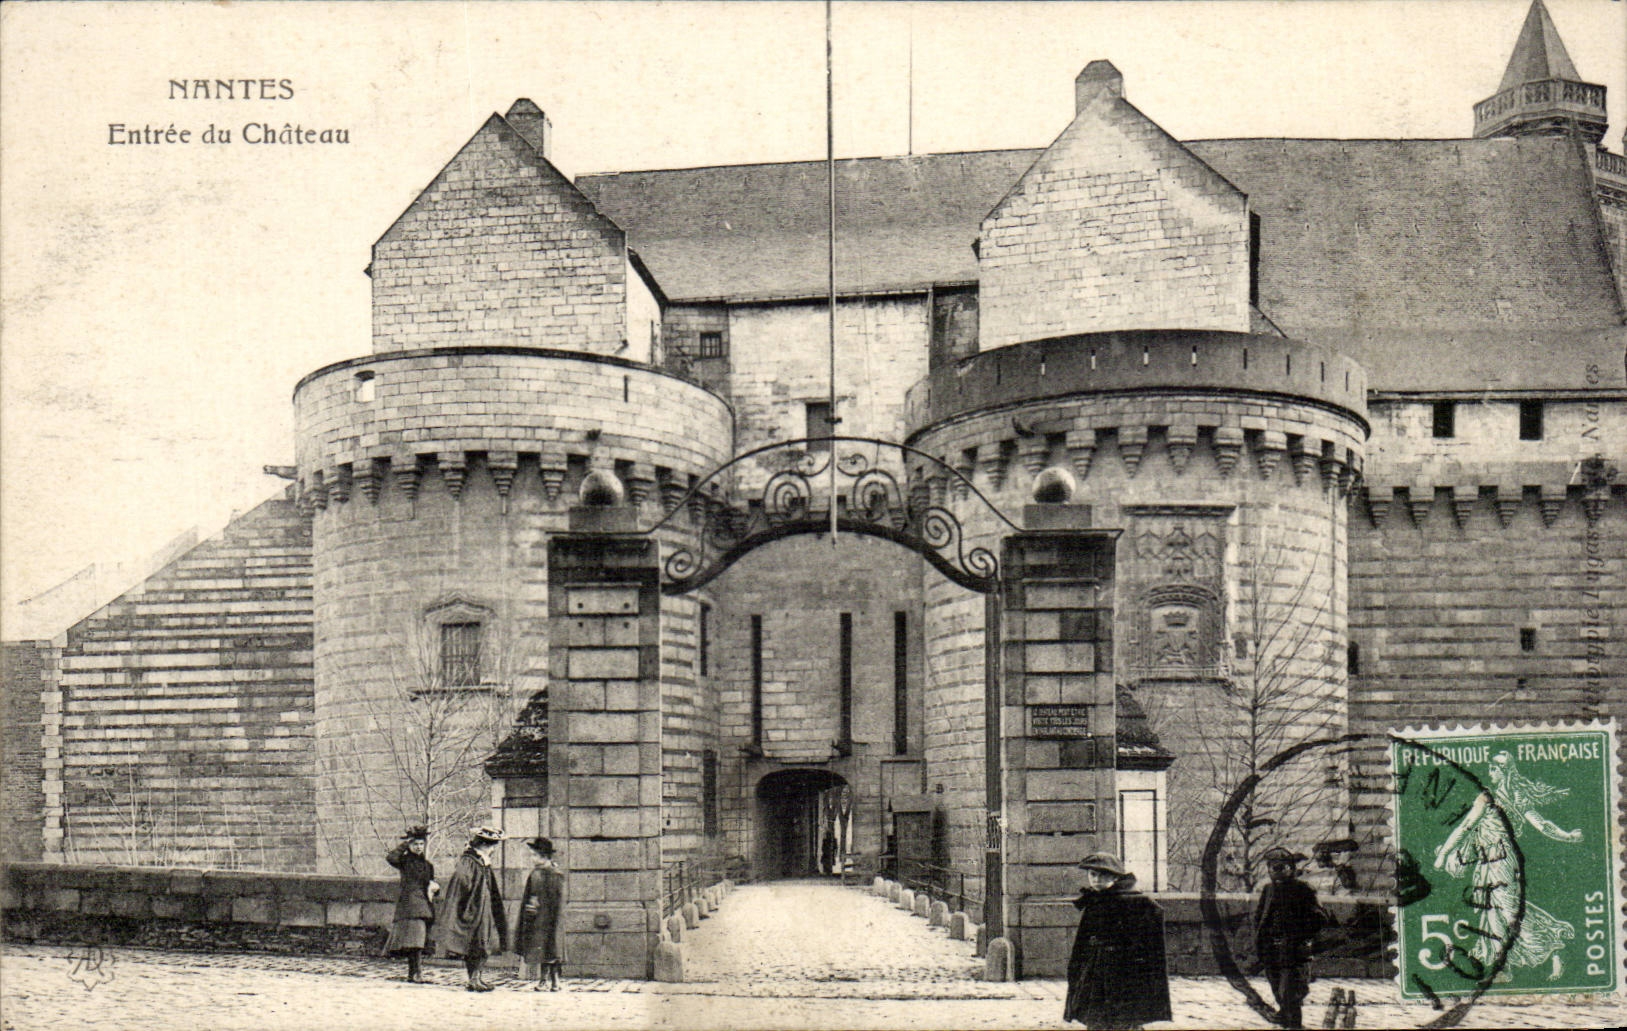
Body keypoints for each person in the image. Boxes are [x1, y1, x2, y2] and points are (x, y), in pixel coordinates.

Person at [1433, 751, 1580, 981]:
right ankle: (1503, 968)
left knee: (1510, 912)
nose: (1490, 772)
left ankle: (1554, 948)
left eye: (1494, 768)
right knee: (1493, 913)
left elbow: (1466, 827)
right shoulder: (1500, 797)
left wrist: (1443, 853)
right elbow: (1543, 826)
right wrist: (1567, 836)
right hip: (1487, 863)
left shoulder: (1495, 798)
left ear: (1504, 772)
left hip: (1502, 861)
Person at [1063, 852, 1172, 1030]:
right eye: (1093, 875)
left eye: (1103, 875)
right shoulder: (1095, 900)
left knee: (1124, 1018)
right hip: (1096, 969)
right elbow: (1083, 939)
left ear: (1115, 876)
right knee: (1096, 1017)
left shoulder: (1133, 900)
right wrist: (1077, 969)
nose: (1096, 879)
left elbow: (1153, 921)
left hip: (1123, 971)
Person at [1253, 847, 1326, 1030]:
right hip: (1272, 950)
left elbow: (1320, 918)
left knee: (1290, 993)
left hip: (1294, 951)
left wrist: (1299, 937)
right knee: (1278, 990)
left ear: (1291, 869)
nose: (1276, 871)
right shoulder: (1268, 890)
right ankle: (1286, 1020)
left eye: (1281, 867)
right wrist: (1261, 942)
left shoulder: (1303, 889)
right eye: (1272, 868)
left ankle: (1294, 1024)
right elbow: (1260, 917)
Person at [434, 825, 509, 992]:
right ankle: (473, 979)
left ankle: (476, 978)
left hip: (484, 909)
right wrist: (470, 898)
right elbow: (461, 879)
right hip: (475, 909)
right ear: (484, 845)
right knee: (478, 944)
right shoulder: (469, 860)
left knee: (483, 944)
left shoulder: (480, 861)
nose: (493, 849)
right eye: (492, 845)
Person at [383, 826, 439, 983]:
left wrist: (435, 888)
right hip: (411, 905)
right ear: (410, 846)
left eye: (421, 844)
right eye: (415, 844)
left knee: (419, 941)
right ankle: (415, 973)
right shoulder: (405, 861)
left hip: (424, 905)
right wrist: (404, 845)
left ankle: (415, 973)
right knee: (414, 941)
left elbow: (430, 883)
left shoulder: (428, 865)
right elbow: (390, 857)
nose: (419, 847)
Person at [515, 836, 566, 991]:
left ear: (543, 856)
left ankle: (555, 981)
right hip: (538, 918)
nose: (532, 858)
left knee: (553, 950)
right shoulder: (536, 874)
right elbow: (531, 894)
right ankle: (543, 981)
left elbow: (557, 898)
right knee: (542, 950)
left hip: (552, 918)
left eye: (534, 855)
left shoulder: (555, 874)